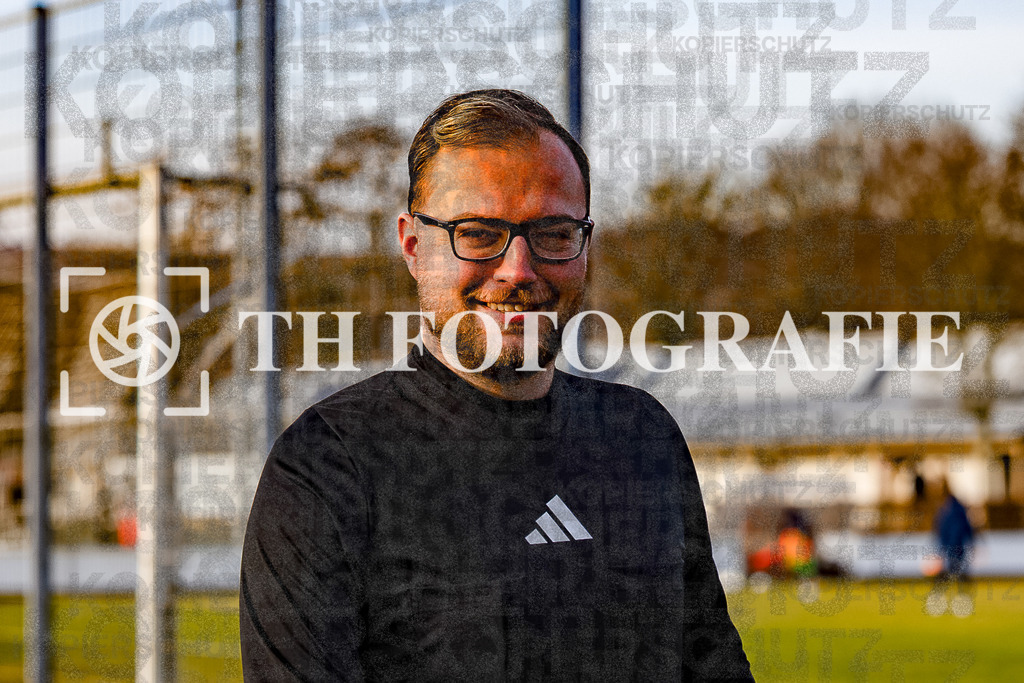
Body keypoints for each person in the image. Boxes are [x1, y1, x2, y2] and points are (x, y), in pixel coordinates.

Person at [239, 89, 752, 681]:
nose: (518, 270)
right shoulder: (330, 465)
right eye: (478, 233)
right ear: (413, 246)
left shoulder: (642, 438)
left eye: (554, 233)